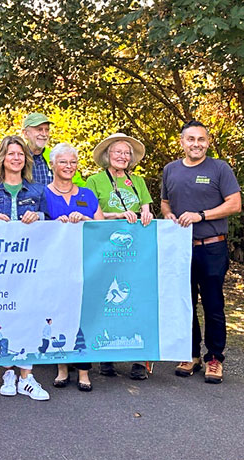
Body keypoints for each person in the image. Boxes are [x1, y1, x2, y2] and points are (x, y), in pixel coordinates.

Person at [161, 120, 242, 383]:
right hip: (180, 249)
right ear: (182, 142)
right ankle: (191, 354)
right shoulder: (170, 170)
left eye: (201, 139)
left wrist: (201, 215)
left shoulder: (219, 168)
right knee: (186, 304)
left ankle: (214, 358)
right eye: (191, 139)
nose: (196, 144)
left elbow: (235, 204)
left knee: (213, 304)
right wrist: (169, 215)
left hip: (212, 247)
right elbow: (164, 203)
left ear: (208, 142)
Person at [0, 135, 49, 401]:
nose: (16, 158)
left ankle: (27, 376)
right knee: (3, 315)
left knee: (30, 313)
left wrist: (38, 216)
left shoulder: (39, 190)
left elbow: (53, 223)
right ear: (2, 158)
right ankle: (8, 371)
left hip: (30, 266)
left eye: (20, 154)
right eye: (11, 154)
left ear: (26, 159)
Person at [85, 133, 153, 380]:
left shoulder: (138, 182)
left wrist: (145, 215)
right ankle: (106, 355)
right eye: (117, 152)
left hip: (136, 251)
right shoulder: (93, 181)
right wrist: (119, 216)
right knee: (107, 297)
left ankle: (139, 358)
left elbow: (146, 208)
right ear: (107, 156)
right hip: (105, 249)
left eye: (127, 153)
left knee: (135, 297)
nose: (123, 156)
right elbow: (94, 213)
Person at [45, 142, 106, 391]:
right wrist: (53, 224)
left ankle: (83, 371)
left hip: (85, 264)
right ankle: (61, 368)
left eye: (72, 162)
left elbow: (102, 227)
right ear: (53, 165)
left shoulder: (86, 195)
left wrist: (87, 219)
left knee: (84, 316)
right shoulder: (42, 194)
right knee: (59, 314)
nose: (68, 166)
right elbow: (34, 226)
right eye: (63, 162)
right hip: (55, 266)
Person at [21, 112, 85, 186]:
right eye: (39, 129)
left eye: (47, 130)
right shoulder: (17, 158)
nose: (44, 134)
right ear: (25, 134)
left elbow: (79, 185)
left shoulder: (56, 156)